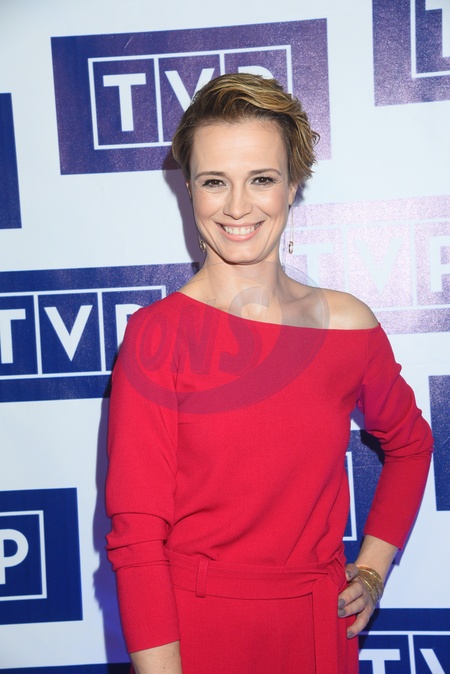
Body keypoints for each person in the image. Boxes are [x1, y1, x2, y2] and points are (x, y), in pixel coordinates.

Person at [106, 73, 433, 674]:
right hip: (196, 635)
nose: (237, 206)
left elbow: (412, 446)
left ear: (292, 185)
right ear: (189, 188)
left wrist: (371, 569)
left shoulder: (347, 326)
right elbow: (137, 539)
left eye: (261, 178)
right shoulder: (157, 337)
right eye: (214, 181)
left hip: (320, 629)